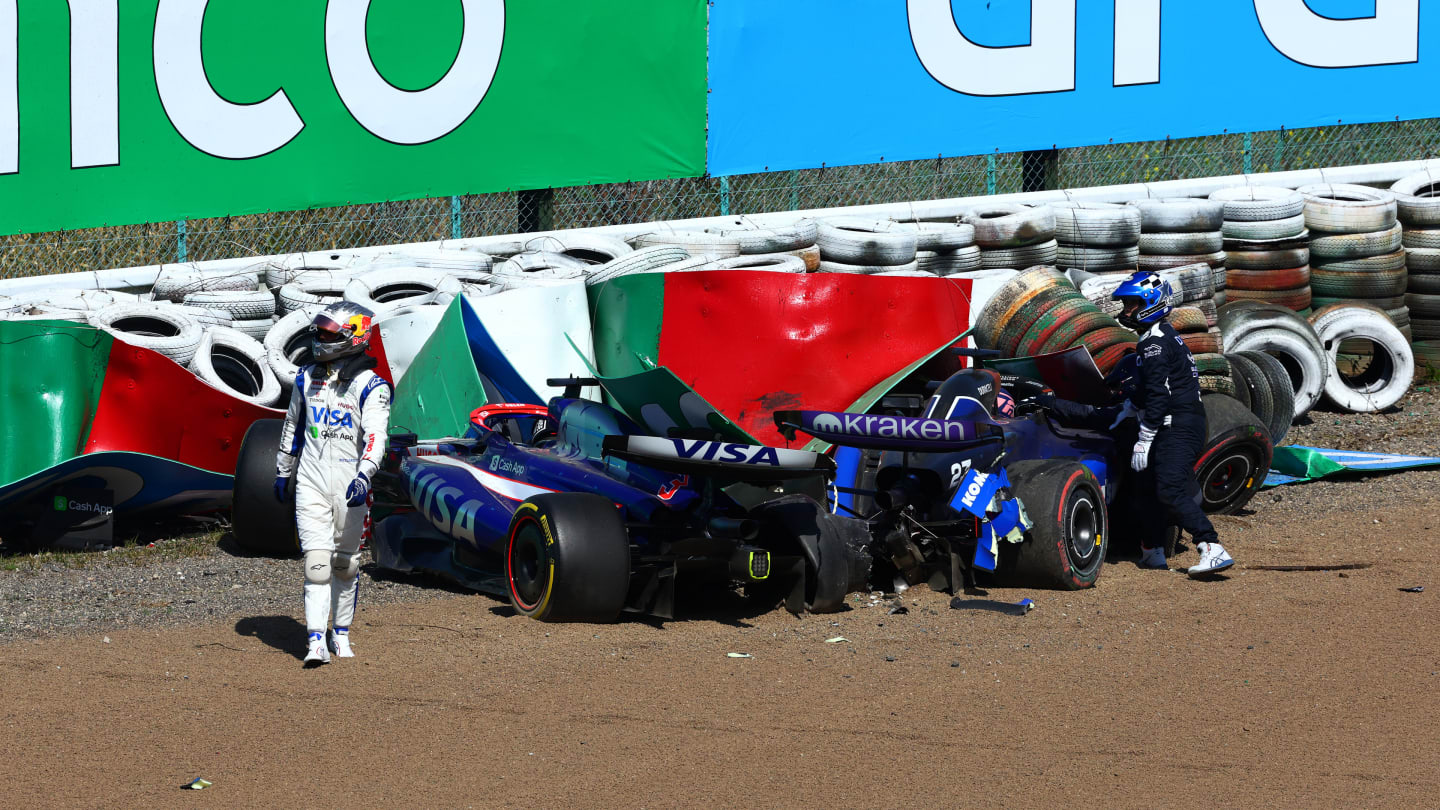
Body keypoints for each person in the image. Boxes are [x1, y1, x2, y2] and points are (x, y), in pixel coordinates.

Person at [274, 302, 392, 666]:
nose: (320, 339)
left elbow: (377, 435)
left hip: (351, 483)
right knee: (316, 563)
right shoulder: (304, 377)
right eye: (319, 332)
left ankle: (340, 633)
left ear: (355, 336)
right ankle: (314, 642)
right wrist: (282, 470)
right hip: (310, 479)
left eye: (329, 334)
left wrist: (364, 474)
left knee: (346, 564)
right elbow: (292, 427)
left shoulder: (373, 386)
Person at [1110, 270, 1234, 577]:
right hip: (1175, 421)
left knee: (1170, 488)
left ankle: (1211, 546)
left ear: (1150, 303)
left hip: (1176, 425)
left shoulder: (1154, 343)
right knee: (1144, 488)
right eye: (1125, 304)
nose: (1127, 311)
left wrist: (1145, 437)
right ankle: (1153, 550)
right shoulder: (1159, 337)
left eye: (1132, 304)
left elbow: (1160, 394)